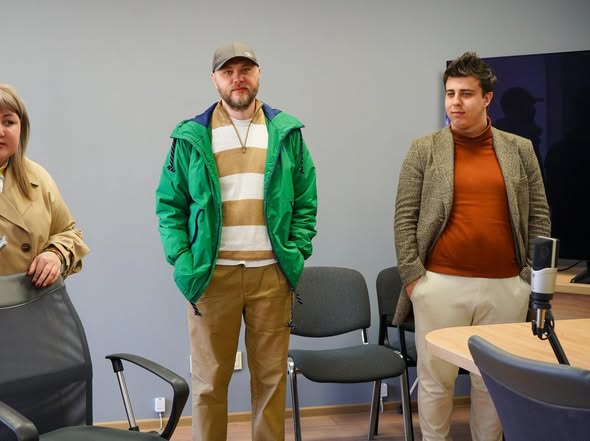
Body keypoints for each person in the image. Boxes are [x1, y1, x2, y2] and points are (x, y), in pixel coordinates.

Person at [155, 42, 317, 441]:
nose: (237, 78)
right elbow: (169, 205)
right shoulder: (191, 136)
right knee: (209, 383)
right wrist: (184, 261)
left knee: (271, 381)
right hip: (212, 278)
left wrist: (296, 252)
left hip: (271, 277)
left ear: (258, 74)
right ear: (215, 79)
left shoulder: (286, 133)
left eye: (245, 69)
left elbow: (305, 200)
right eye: (228, 72)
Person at [392, 52, 550, 441]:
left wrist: (528, 279)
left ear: (486, 98)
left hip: (506, 286)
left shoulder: (520, 149)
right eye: (450, 94)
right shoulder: (424, 149)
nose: (455, 103)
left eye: (465, 94)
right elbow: (404, 217)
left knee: (492, 383)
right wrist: (415, 281)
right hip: (439, 285)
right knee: (436, 380)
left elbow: (539, 217)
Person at [0, 83, 89, 286]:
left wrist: (55, 254)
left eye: (8, 122)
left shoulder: (38, 177)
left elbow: (69, 233)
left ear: (21, 129)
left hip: (31, 300)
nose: (0, 131)